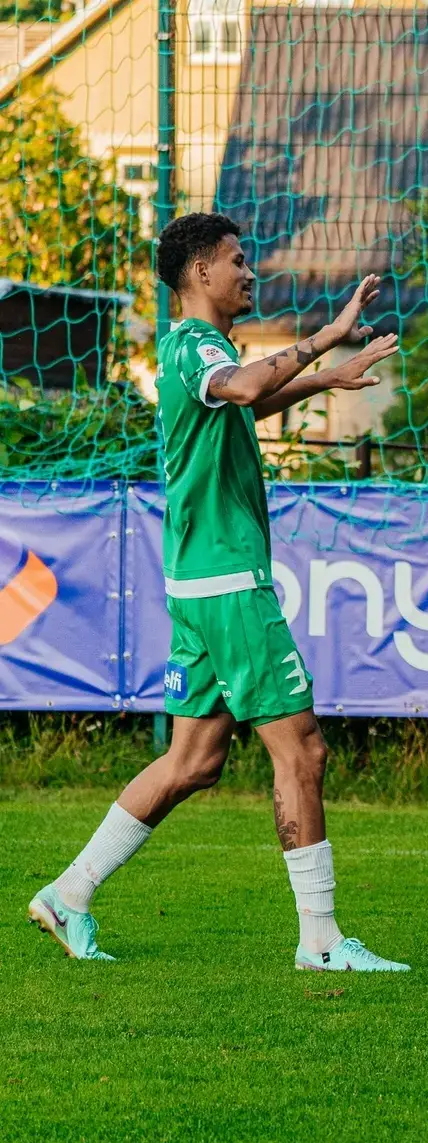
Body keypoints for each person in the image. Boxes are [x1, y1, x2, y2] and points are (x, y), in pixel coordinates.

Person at [27, 212, 407, 971]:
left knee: (194, 760)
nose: (250, 272)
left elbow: (238, 403)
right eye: (238, 260)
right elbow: (240, 385)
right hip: (230, 583)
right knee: (301, 751)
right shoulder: (200, 345)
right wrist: (328, 335)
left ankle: (68, 894)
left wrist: (325, 378)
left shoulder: (190, 352)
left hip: (200, 581)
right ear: (200, 272)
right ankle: (322, 941)